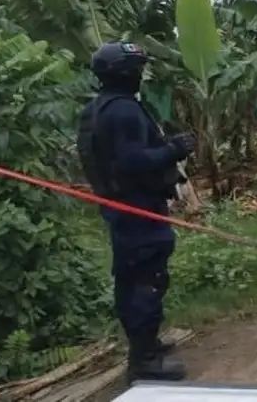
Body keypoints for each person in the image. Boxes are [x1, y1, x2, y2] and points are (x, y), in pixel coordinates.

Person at [76, 42, 197, 381]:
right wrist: (174, 149)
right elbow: (131, 163)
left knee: (133, 279)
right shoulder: (123, 111)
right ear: (126, 72)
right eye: (138, 68)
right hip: (138, 209)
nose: (142, 74)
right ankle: (144, 362)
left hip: (122, 208)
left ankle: (146, 345)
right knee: (146, 280)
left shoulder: (100, 108)